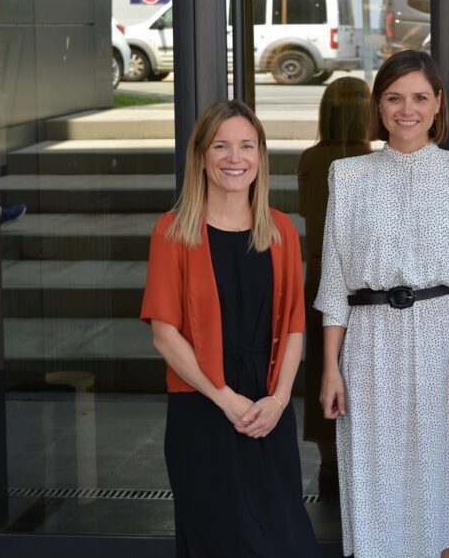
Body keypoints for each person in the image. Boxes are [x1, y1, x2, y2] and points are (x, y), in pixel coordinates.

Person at [316, 50, 449, 558]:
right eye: (395, 98)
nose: (408, 110)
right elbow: (334, 284)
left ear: (438, 103)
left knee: (445, 488)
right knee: (379, 485)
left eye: (420, 97)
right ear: (378, 106)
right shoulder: (348, 175)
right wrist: (330, 368)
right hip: (372, 346)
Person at [140, 99, 319, 556]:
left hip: (267, 409)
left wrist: (278, 401)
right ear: (201, 156)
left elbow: (294, 328)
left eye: (246, 146)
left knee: (286, 541)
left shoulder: (280, 231)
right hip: (203, 410)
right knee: (218, 541)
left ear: (260, 155)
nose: (234, 158)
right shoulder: (173, 232)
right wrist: (225, 398)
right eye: (220, 146)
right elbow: (164, 334)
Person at [296, 77, 373, 497]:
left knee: (322, 369)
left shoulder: (310, 158)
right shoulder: (371, 162)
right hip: (363, 281)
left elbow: (306, 211)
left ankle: (328, 463)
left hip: (318, 271)